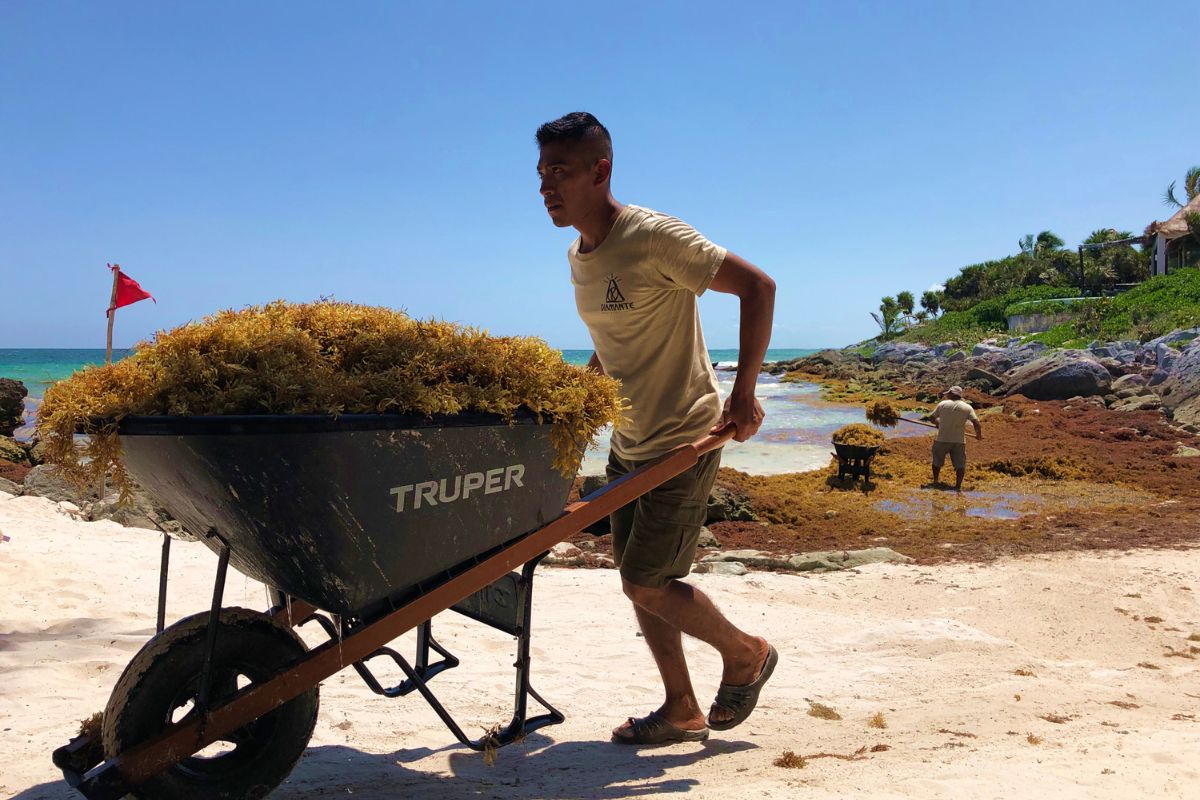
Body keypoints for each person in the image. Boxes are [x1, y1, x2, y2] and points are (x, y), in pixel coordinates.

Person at [535, 111, 778, 745]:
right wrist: (585, 401)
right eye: (540, 172)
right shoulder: (577, 254)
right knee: (640, 584)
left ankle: (746, 653)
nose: (545, 186)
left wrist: (745, 391)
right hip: (629, 441)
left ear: (601, 170)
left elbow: (758, 287)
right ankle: (680, 708)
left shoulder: (652, 236)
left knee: (647, 581)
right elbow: (610, 337)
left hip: (684, 437)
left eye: (560, 171)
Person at [927, 385, 982, 491]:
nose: (946, 395)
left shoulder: (942, 404)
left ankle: (935, 481)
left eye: (948, 393)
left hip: (942, 439)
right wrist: (978, 435)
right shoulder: (967, 407)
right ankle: (957, 486)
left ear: (952, 393)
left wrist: (938, 423)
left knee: (937, 461)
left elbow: (931, 418)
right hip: (959, 441)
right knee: (960, 464)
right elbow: (976, 423)